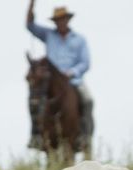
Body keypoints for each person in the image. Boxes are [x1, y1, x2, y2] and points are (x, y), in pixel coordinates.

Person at [26, 3, 93, 154]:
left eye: (63, 19)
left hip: (73, 81)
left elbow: (85, 63)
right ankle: (36, 136)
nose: (60, 22)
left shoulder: (79, 40)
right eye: (58, 20)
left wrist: (72, 72)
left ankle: (85, 137)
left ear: (67, 20)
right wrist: (31, 6)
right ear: (55, 22)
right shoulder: (49, 35)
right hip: (50, 83)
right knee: (35, 102)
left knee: (88, 101)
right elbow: (29, 26)